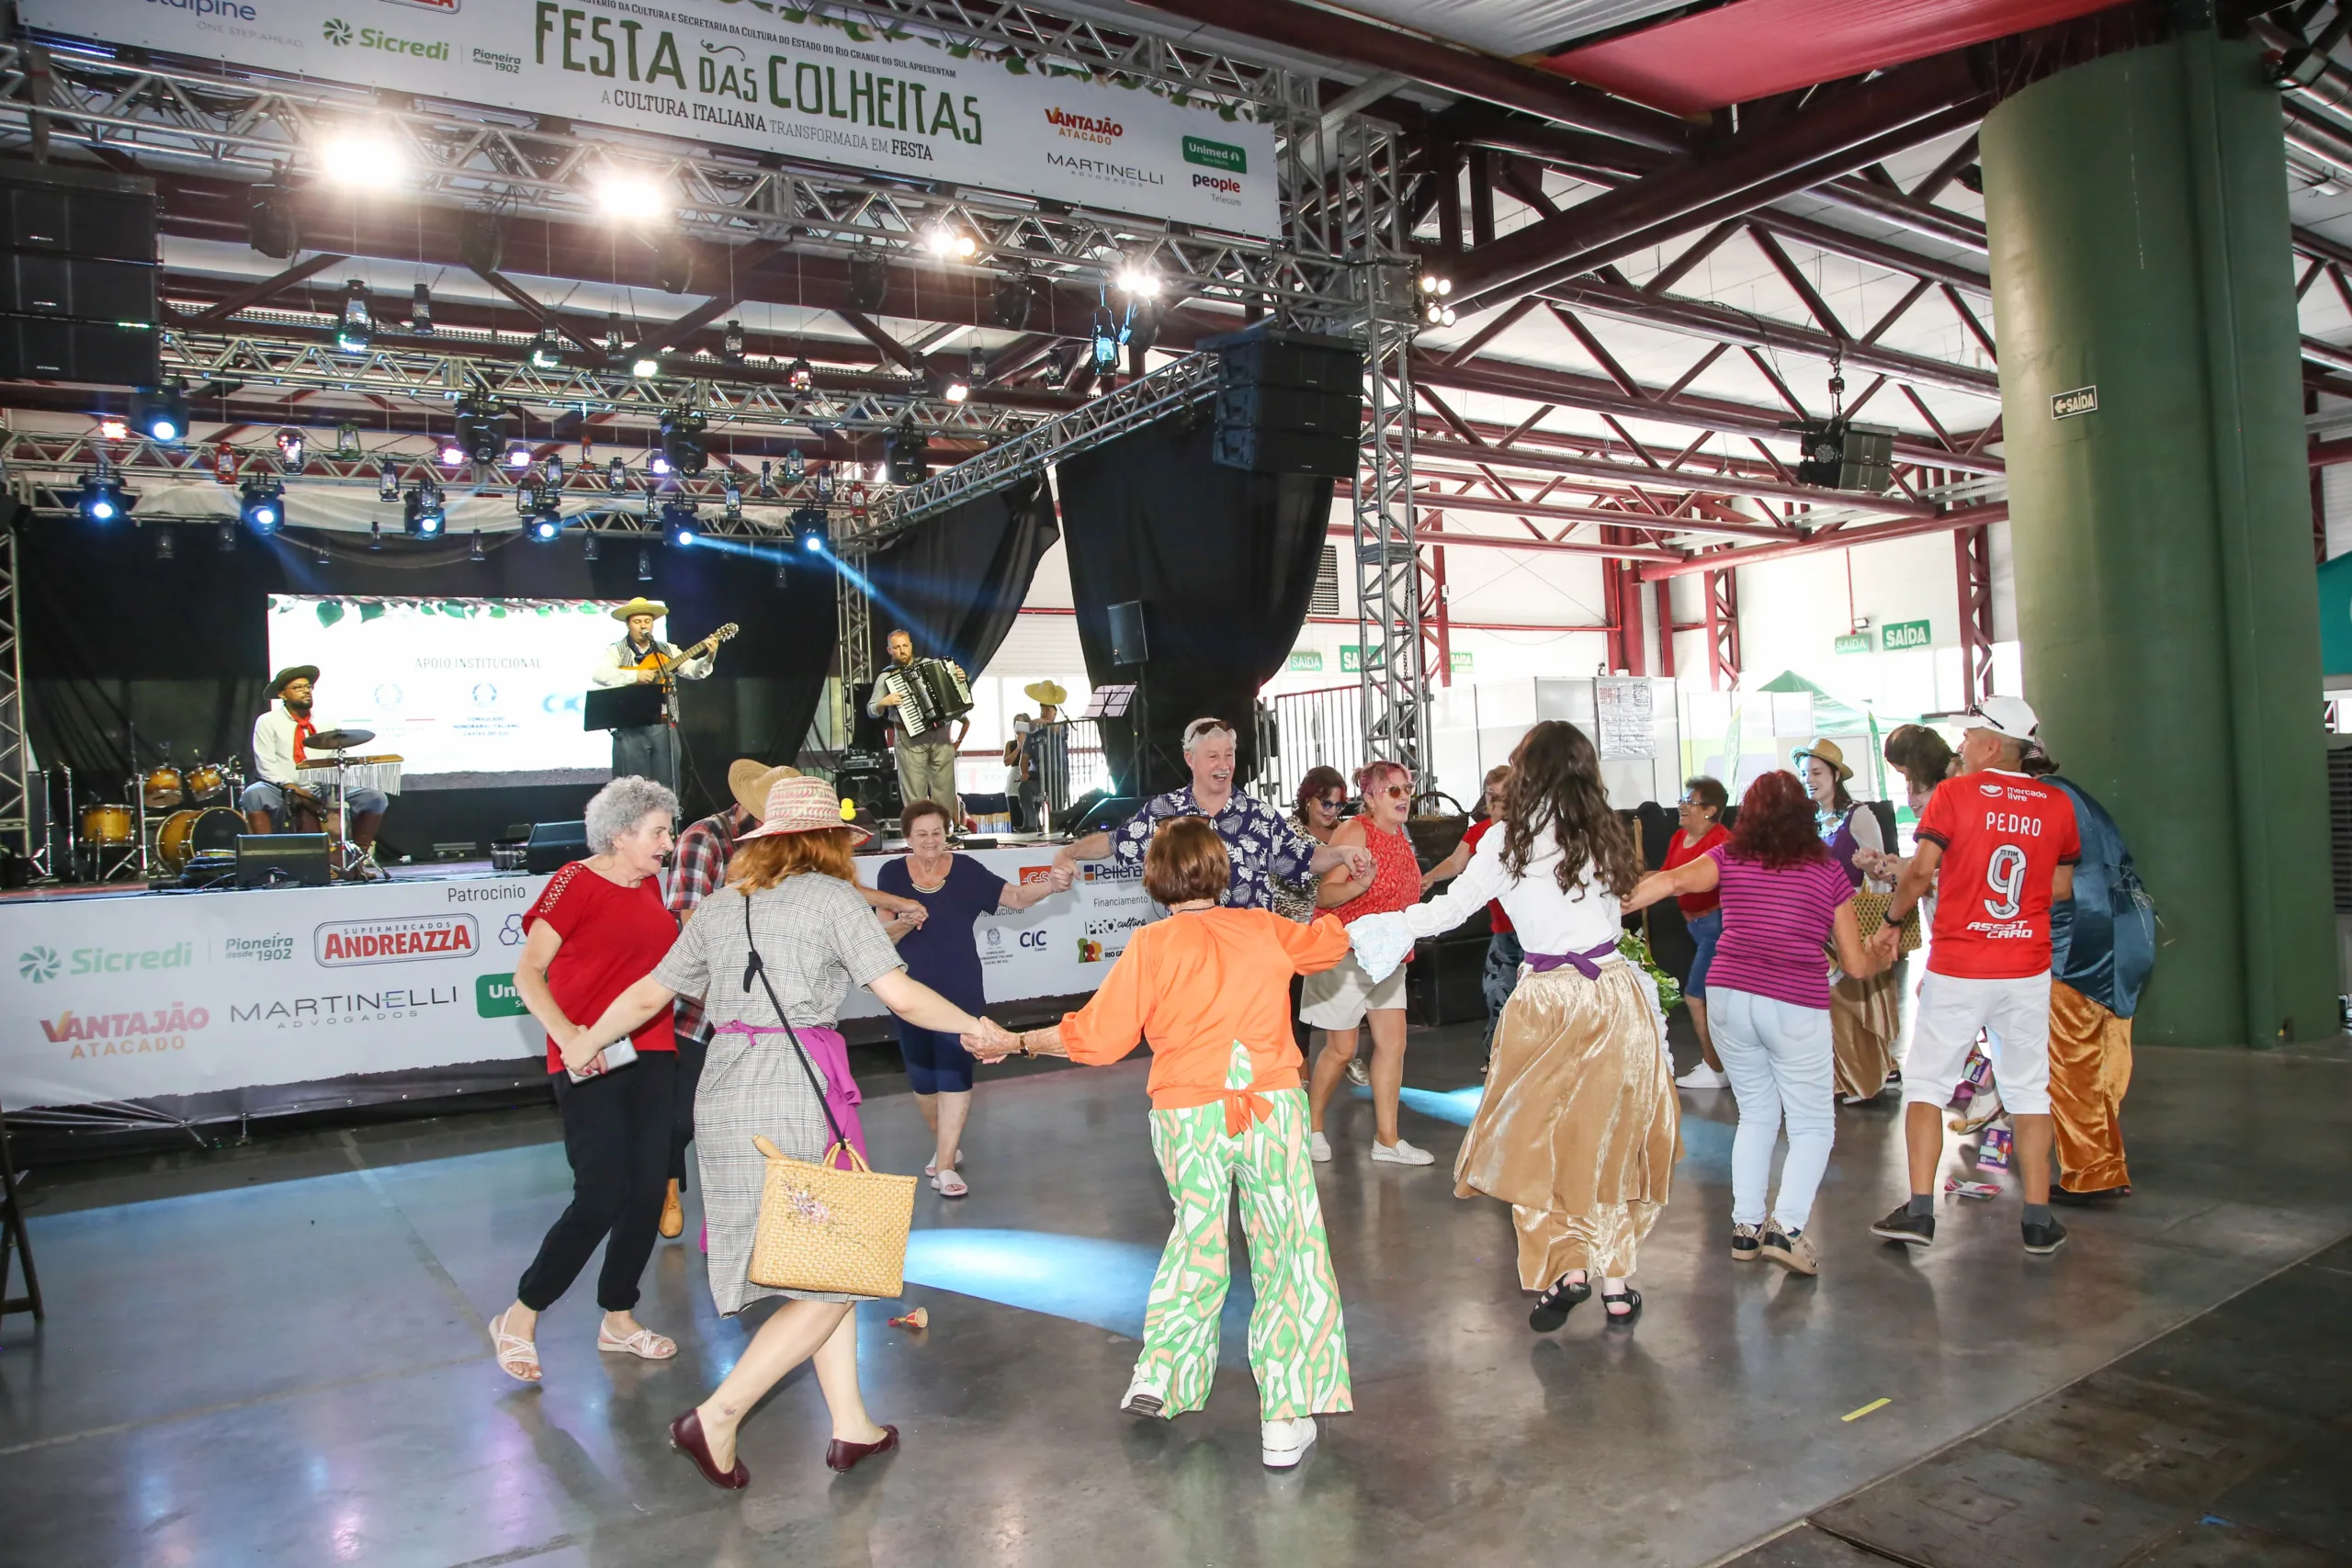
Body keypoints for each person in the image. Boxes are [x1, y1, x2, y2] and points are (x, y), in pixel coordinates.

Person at [567, 774, 1005, 1488]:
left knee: (813, 1266)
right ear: (830, 840)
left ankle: (851, 1424)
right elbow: (901, 994)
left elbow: (652, 992)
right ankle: (717, 1415)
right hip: (797, 1087)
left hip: (724, 1090)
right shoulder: (833, 899)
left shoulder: (719, 903)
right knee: (838, 1269)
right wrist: (974, 1024)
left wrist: (587, 1038)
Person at [966, 818, 1354, 1470]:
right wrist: (1341, 895)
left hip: (1187, 1111)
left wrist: (1018, 1041)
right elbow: (1327, 947)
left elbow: (1097, 1036)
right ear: (1219, 870)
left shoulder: (1149, 945)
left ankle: (1161, 1374)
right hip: (1270, 1105)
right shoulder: (1263, 926)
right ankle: (1285, 1418)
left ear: (1157, 878)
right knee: (1290, 1247)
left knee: (1195, 1237)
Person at [1349, 721, 1678, 1332]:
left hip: (1546, 1004)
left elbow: (1449, 909)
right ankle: (1617, 1284)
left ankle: (1564, 1272)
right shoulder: (1602, 834)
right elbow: (1613, 917)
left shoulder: (1507, 840)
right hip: (1611, 995)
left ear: (1529, 771)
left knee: (1538, 1140)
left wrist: (1382, 927)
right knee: (1606, 1138)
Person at [1625, 772, 1890, 1277]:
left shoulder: (1730, 857)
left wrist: (1603, 910)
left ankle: (1745, 1228)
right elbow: (1855, 966)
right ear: (1803, 816)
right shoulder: (1827, 872)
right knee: (1812, 1124)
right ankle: (1785, 1230)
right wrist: (1882, 956)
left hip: (1728, 996)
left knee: (1756, 1115)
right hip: (1792, 1002)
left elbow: (1674, 880)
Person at [658, 757, 924, 1241]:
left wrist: (884, 910)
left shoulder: (818, 885)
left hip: (773, 1030)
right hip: (712, 1018)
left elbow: (818, 890)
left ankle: (782, 1247)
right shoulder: (702, 840)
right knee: (682, 1122)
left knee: (788, 1175)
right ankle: (671, 1187)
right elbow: (691, 931)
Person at [487, 775, 684, 1385]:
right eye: (657, 832)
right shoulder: (574, 880)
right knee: (601, 1192)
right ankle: (521, 1313)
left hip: (651, 1049)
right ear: (621, 833)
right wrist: (571, 1036)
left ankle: (618, 1315)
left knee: (649, 1188)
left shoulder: (650, 883)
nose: (669, 843)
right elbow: (528, 974)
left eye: (668, 831)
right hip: (587, 1056)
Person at [1868, 695, 2079, 1257]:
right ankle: (2038, 1221)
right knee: (2030, 1089)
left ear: (1991, 745)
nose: (1960, 746)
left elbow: (1919, 873)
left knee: (1927, 1086)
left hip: (1961, 966)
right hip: (2026, 967)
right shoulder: (2056, 805)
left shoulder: (1955, 796)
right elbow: (2061, 887)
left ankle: (1919, 1212)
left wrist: (1891, 925)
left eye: (1967, 738)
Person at [873, 797, 1074, 1197]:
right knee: (923, 1082)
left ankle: (946, 1163)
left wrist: (1051, 885)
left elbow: (1015, 898)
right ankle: (943, 1145)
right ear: (907, 837)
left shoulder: (965, 870)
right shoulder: (891, 873)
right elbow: (882, 937)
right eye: (921, 834)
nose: (930, 841)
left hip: (961, 987)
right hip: (906, 989)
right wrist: (905, 924)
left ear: (947, 833)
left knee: (955, 1071)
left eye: (937, 832)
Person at [1052, 717, 1374, 908]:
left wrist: (1341, 852)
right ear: (1190, 759)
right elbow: (1114, 842)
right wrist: (1071, 852)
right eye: (1213, 757)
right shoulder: (1165, 812)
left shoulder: (1259, 816)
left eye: (1229, 755)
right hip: (1191, 962)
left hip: (1252, 959)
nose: (1224, 766)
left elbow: (1304, 858)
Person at [2023, 750, 2153, 1203]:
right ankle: (2102, 1151)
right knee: (2109, 1051)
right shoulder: (2075, 795)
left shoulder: (2039, 802)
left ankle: (2094, 1169)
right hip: (2128, 926)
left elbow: (2057, 884)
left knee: (2070, 1059)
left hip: (2079, 938)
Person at [1299, 761, 1433, 1167]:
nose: (1405, 796)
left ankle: (1387, 1140)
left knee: (1394, 1044)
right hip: (1346, 952)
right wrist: (1360, 884)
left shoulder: (1401, 835)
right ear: (1371, 796)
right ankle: (1312, 1128)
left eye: (1408, 788)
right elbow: (1324, 895)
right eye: (1394, 790)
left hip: (1389, 957)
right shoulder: (1355, 831)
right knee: (1341, 1049)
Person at [1796, 739, 1901, 1105]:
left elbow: (1884, 870)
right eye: (1805, 773)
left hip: (1856, 919)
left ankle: (1866, 1074)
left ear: (1836, 775)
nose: (1809, 780)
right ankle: (1844, 1075)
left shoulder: (1859, 815)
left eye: (1817, 773)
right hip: (1819, 923)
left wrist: (1869, 867)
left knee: (1852, 1001)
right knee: (1829, 1002)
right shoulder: (1807, 821)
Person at [1422, 766, 1519, 1070]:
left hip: (1535, 932)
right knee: (1498, 996)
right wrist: (1427, 878)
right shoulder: (1479, 833)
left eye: (1501, 795)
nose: (1495, 801)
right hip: (1503, 932)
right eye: (1490, 795)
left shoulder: (1529, 831)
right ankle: (1497, 1059)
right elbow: (1455, 863)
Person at [240, 665, 389, 853]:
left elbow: (336, 757)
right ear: (282, 694)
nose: (305, 691)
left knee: (375, 797)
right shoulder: (268, 721)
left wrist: (337, 776)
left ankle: (356, 858)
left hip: (322, 786)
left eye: (308, 687)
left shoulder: (326, 721)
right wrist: (294, 789)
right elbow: (266, 765)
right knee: (254, 794)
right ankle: (266, 857)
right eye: (298, 687)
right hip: (282, 787)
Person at [588, 598, 719, 791]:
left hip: (663, 725)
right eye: (637, 621)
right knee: (632, 787)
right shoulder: (616, 650)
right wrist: (635, 675)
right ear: (628, 624)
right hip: (630, 728)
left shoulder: (667, 650)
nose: (643, 626)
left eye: (647, 621)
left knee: (666, 785)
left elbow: (693, 671)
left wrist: (709, 656)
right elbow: (599, 674)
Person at [1660, 777, 1732, 1090]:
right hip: (1694, 926)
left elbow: (1689, 881)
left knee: (1696, 996)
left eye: (1690, 801)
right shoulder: (1679, 838)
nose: (1682, 806)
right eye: (1683, 799)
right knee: (1711, 998)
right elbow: (1666, 877)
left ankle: (1716, 1068)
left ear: (1710, 810)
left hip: (1717, 926)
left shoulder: (1721, 840)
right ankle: (1722, 1064)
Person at [867, 628, 969, 814]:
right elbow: (871, 710)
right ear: (889, 651)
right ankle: (919, 832)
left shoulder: (930, 664)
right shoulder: (886, 677)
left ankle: (943, 832)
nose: (902, 650)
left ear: (911, 645)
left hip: (939, 733)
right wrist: (884, 702)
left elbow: (954, 689)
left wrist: (960, 678)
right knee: (914, 789)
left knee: (945, 787)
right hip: (908, 737)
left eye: (905, 645)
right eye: (897, 647)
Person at [1271, 765, 1350, 923]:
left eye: (1339, 805)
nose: (1332, 811)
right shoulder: (1287, 832)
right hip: (1290, 926)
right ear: (1307, 800)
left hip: (1334, 923)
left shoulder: (1344, 831)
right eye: (1326, 804)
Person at [1020, 681, 1069, 829]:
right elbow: (1025, 755)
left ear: (1055, 712)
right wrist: (1024, 772)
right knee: (1024, 788)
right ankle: (1030, 824)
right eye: (1042, 709)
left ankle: (1056, 827)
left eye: (1048, 709)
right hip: (1038, 775)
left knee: (1057, 809)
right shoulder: (1032, 731)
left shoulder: (1061, 726)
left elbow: (1057, 730)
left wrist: (1044, 722)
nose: (1044, 712)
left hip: (1058, 775)